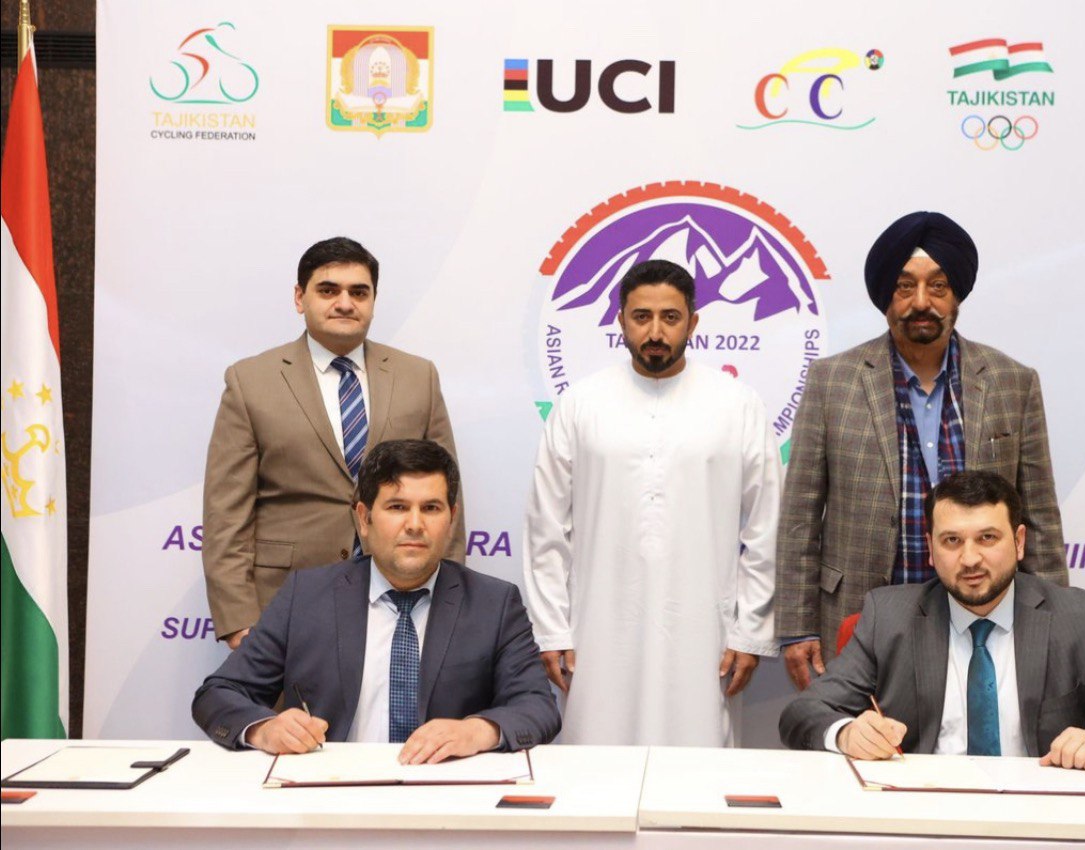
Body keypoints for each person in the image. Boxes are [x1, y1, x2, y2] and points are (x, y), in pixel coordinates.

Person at [778, 211, 1067, 689]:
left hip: (983, 612)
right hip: (857, 614)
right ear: (885, 297)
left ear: (957, 295)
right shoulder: (832, 381)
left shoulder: (1012, 382)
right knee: (865, 733)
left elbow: (1039, 516)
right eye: (904, 286)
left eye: (938, 286)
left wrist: (1057, 624)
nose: (921, 302)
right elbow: (800, 516)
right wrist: (797, 625)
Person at [523, 259, 782, 746]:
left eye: (670, 317)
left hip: (704, 634)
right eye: (642, 317)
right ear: (621, 320)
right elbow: (546, 529)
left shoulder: (738, 404)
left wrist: (749, 632)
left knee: (699, 764)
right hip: (598, 631)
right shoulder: (580, 404)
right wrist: (552, 631)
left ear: (693, 322)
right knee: (596, 764)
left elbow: (767, 528)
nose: (656, 332)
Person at [780, 471, 1085, 770]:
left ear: (1019, 542)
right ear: (930, 549)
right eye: (952, 541)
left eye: (987, 538)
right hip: (920, 815)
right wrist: (847, 733)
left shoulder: (1076, 618)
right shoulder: (888, 616)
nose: (970, 558)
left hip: (1040, 818)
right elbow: (803, 713)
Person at [193, 440, 558, 762]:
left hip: (446, 793)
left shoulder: (494, 604)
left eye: (431, 508)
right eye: (397, 507)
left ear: (452, 519)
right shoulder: (306, 596)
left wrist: (477, 731)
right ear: (364, 519)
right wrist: (265, 729)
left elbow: (538, 707)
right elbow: (218, 694)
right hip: (328, 794)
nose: (415, 524)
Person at [202, 236, 465, 649]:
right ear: (299, 297)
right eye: (328, 290)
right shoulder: (250, 381)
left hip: (402, 599)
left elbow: (446, 499)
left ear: (373, 300)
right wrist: (239, 621)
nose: (345, 303)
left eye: (359, 292)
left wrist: (448, 604)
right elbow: (226, 514)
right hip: (284, 604)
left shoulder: (419, 377)